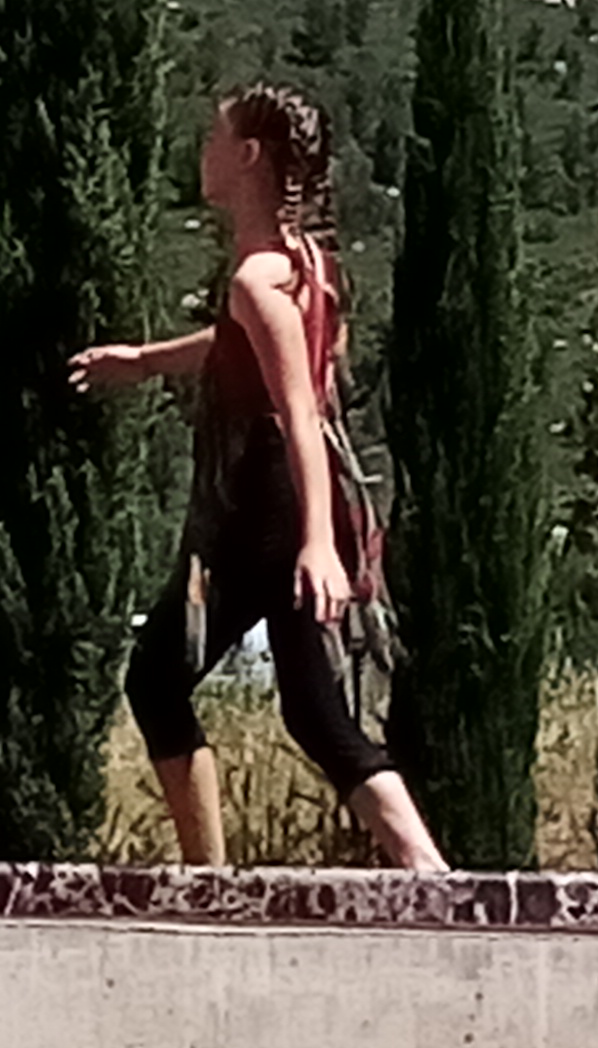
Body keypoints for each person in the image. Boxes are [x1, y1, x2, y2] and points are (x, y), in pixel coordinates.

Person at [76, 84, 447, 874]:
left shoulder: (257, 279)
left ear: (247, 156)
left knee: (157, 677)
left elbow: (300, 412)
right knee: (315, 711)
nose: (203, 152)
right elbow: (246, 347)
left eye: (215, 138)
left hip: (262, 506)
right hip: (287, 499)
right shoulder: (304, 267)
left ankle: (207, 873)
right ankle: (426, 869)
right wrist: (143, 362)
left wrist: (317, 544)